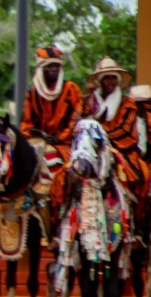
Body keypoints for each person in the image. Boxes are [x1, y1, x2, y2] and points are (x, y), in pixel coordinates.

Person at [81, 57, 147, 195]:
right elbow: (79, 122)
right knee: (67, 173)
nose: (111, 81)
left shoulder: (128, 103)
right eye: (107, 78)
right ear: (100, 81)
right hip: (89, 148)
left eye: (114, 78)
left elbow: (125, 130)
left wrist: (102, 138)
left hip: (121, 150)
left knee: (137, 176)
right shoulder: (87, 102)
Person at [21, 45, 82, 167]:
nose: (54, 69)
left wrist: (59, 137)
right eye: (50, 66)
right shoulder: (32, 93)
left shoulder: (71, 89)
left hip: (66, 144)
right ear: (41, 68)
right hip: (38, 143)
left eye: (57, 66)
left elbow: (76, 119)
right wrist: (40, 137)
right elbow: (26, 124)